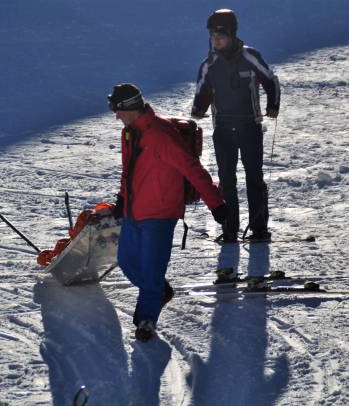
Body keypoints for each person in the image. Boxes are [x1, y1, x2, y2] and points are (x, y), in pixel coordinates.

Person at [109, 83, 227, 342]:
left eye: (117, 109)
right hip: (133, 211)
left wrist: (215, 203)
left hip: (160, 214)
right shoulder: (129, 133)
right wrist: (121, 199)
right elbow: (128, 171)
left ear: (129, 107)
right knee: (127, 262)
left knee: (152, 270)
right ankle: (159, 291)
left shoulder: (162, 135)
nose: (115, 115)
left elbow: (191, 168)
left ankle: (146, 321)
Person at [191, 9, 280, 243]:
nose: (215, 41)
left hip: (249, 126)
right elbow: (202, 90)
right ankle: (229, 228)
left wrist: (273, 104)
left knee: (254, 178)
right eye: (212, 37)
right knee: (227, 180)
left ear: (231, 34)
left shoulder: (250, 56)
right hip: (223, 129)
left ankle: (259, 228)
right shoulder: (209, 63)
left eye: (219, 36)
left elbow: (271, 80)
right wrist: (198, 109)